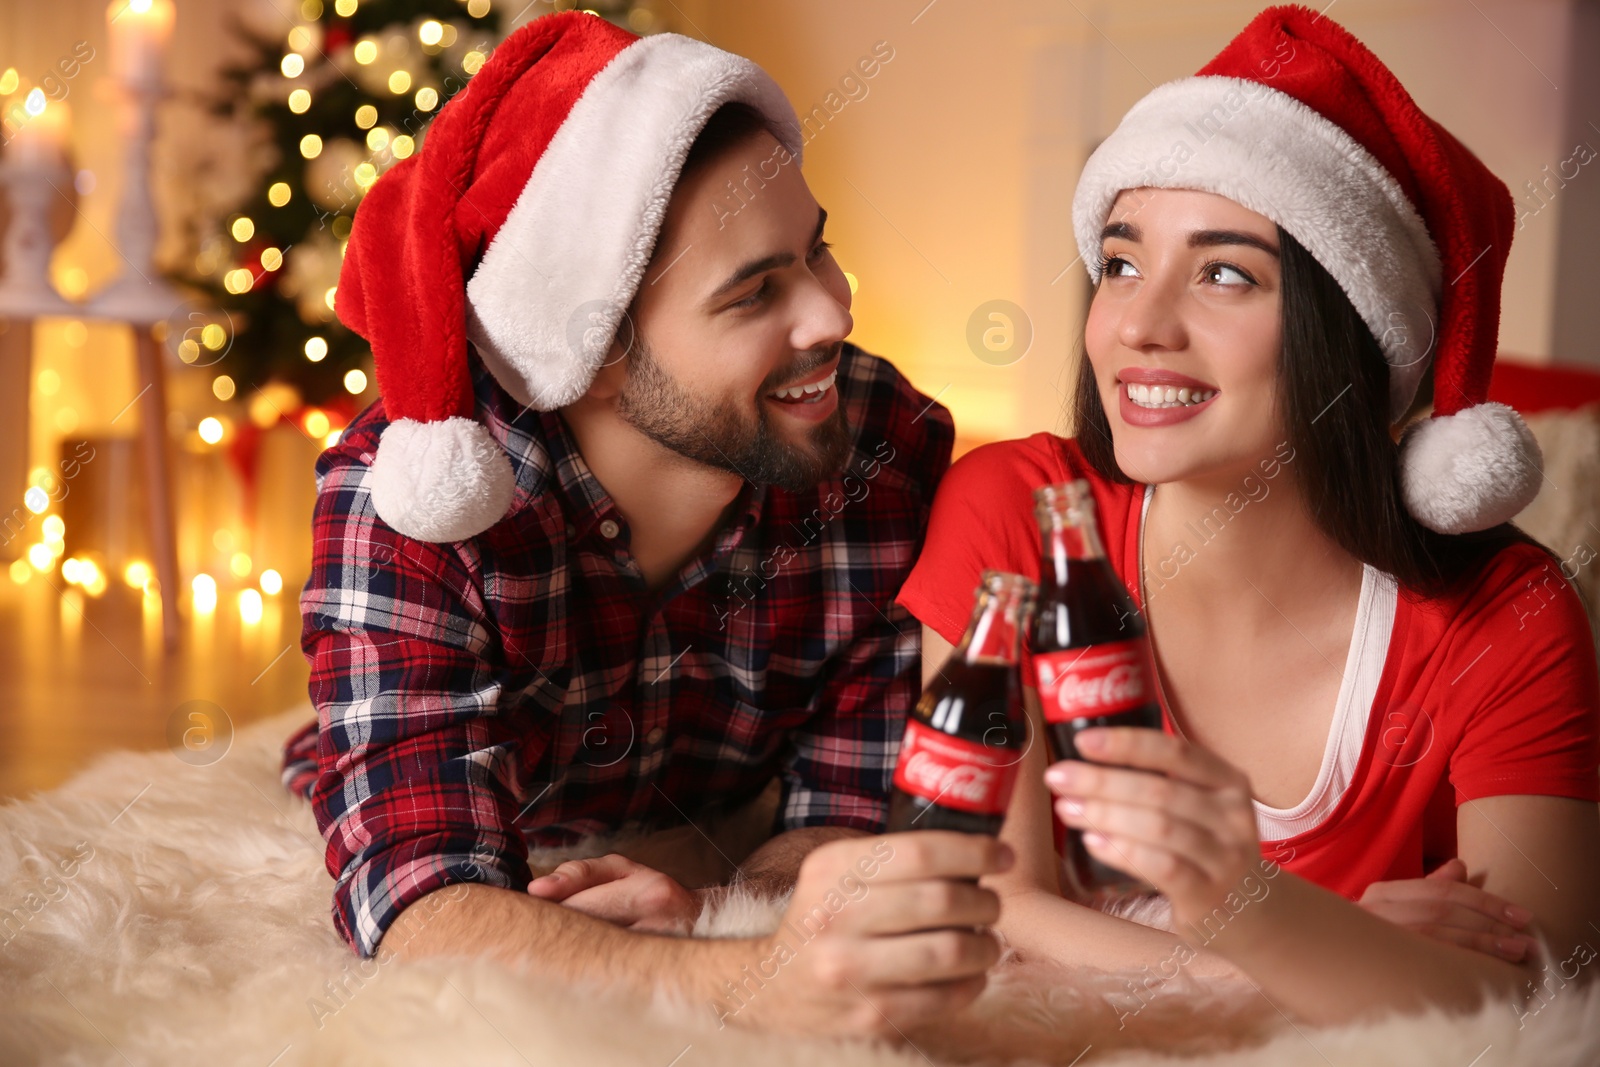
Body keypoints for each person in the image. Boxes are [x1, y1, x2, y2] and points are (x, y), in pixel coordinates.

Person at [279, 11, 1011, 1039]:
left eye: (816, 252)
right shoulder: (411, 500)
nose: (831, 315)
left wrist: (722, 912)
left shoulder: (879, 448)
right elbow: (417, 905)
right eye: (755, 292)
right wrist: (745, 983)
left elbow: (840, 815)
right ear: (594, 349)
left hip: (704, 808)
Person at [896, 4, 1600, 1025]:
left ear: (1348, 335)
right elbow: (983, 893)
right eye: (1122, 261)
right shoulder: (1017, 512)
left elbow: (1544, 1000)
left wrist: (1243, 902)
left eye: (1225, 273)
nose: (1138, 323)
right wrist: (1307, 940)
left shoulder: (1510, 618)